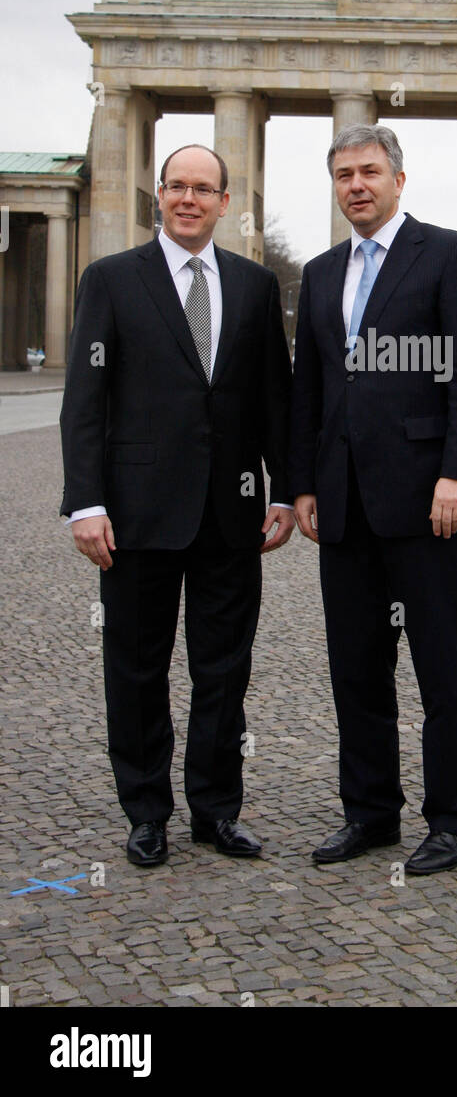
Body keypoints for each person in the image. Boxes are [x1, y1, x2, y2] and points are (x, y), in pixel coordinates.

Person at [60, 145, 294, 867]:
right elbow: (84, 402)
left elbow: (274, 402)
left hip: (232, 511)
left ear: (226, 202)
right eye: (176, 187)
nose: (189, 199)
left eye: (204, 189)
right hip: (135, 513)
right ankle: (146, 812)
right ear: (157, 196)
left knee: (223, 670)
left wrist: (284, 488)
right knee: (136, 667)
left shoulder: (256, 287)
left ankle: (216, 810)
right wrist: (84, 504)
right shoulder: (110, 280)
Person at [290, 124, 457, 876]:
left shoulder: (447, 254)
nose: (356, 185)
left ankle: (452, 818)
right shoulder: (318, 273)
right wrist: (303, 484)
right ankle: (370, 812)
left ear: (398, 180)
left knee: (443, 666)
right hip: (343, 504)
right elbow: (309, 390)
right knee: (357, 668)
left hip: (428, 501)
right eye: (343, 174)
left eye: (369, 171)